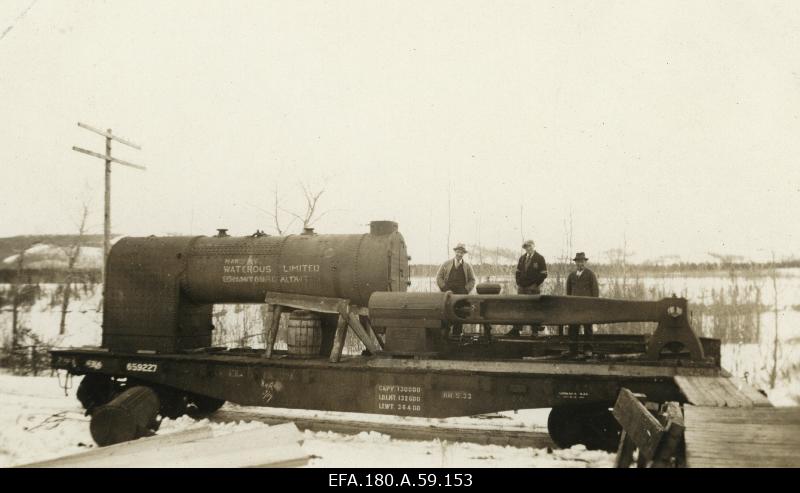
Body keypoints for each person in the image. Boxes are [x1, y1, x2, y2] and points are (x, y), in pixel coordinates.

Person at [436, 243, 476, 336]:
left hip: (461, 296)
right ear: (455, 252)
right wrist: (443, 287)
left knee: (460, 316)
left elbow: (472, 280)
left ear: (464, 254)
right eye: (458, 252)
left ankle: (457, 337)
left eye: (461, 253)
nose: (459, 254)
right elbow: (439, 277)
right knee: (446, 314)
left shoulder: (467, 266)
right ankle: (445, 336)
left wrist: (466, 290)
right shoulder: (446, 264)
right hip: (448, 295)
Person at [509, 240, 548, 336]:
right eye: (526, 247)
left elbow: (544, 274)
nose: (528, 248)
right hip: (522, 288)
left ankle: (534, 331)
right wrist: (518, 282)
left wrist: (535, 284)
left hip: (533, 288)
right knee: (520, 308)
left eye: (530, 246)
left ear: (534, 246)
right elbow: (517, 272)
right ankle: (516, 330)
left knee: (533, 309)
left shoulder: (539, 258)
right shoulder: (522, 258)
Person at [565, 252, 599, 349]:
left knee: (588, 328)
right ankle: (573, 350)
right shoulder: (571, 275)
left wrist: (593, 306)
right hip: (574, 308)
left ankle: (588, 350)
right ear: (576, 263)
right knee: (573, 328)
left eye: (582, 261)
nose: (580, 264)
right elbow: (568, 292)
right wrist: (569, 305)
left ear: (585, 262)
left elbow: (595, 291)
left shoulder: (590, 274)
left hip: (587, 307)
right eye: (578, 261)